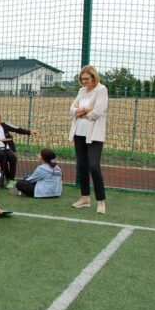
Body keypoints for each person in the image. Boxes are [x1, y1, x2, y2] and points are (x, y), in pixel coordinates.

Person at [68, 65, 108, 214]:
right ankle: (85, 198)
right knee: (82, 165)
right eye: (82, 79)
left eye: (87, 78)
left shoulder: (101, 89)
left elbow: (98, 111)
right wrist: (84, 111)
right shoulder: (81, 91)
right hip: (79, 132)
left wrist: (82, 112)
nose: (84, 82)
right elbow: (72, 109)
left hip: (94, 135)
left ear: (93, 77)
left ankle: (101, 201)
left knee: (94, 166)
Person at [0, 110, 34, 188]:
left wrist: (29, 132)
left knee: (13, 157)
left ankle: (11, 180)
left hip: (6, 147)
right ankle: (7, 178)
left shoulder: (4, 125)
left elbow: (16, 129)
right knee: (3, 156)